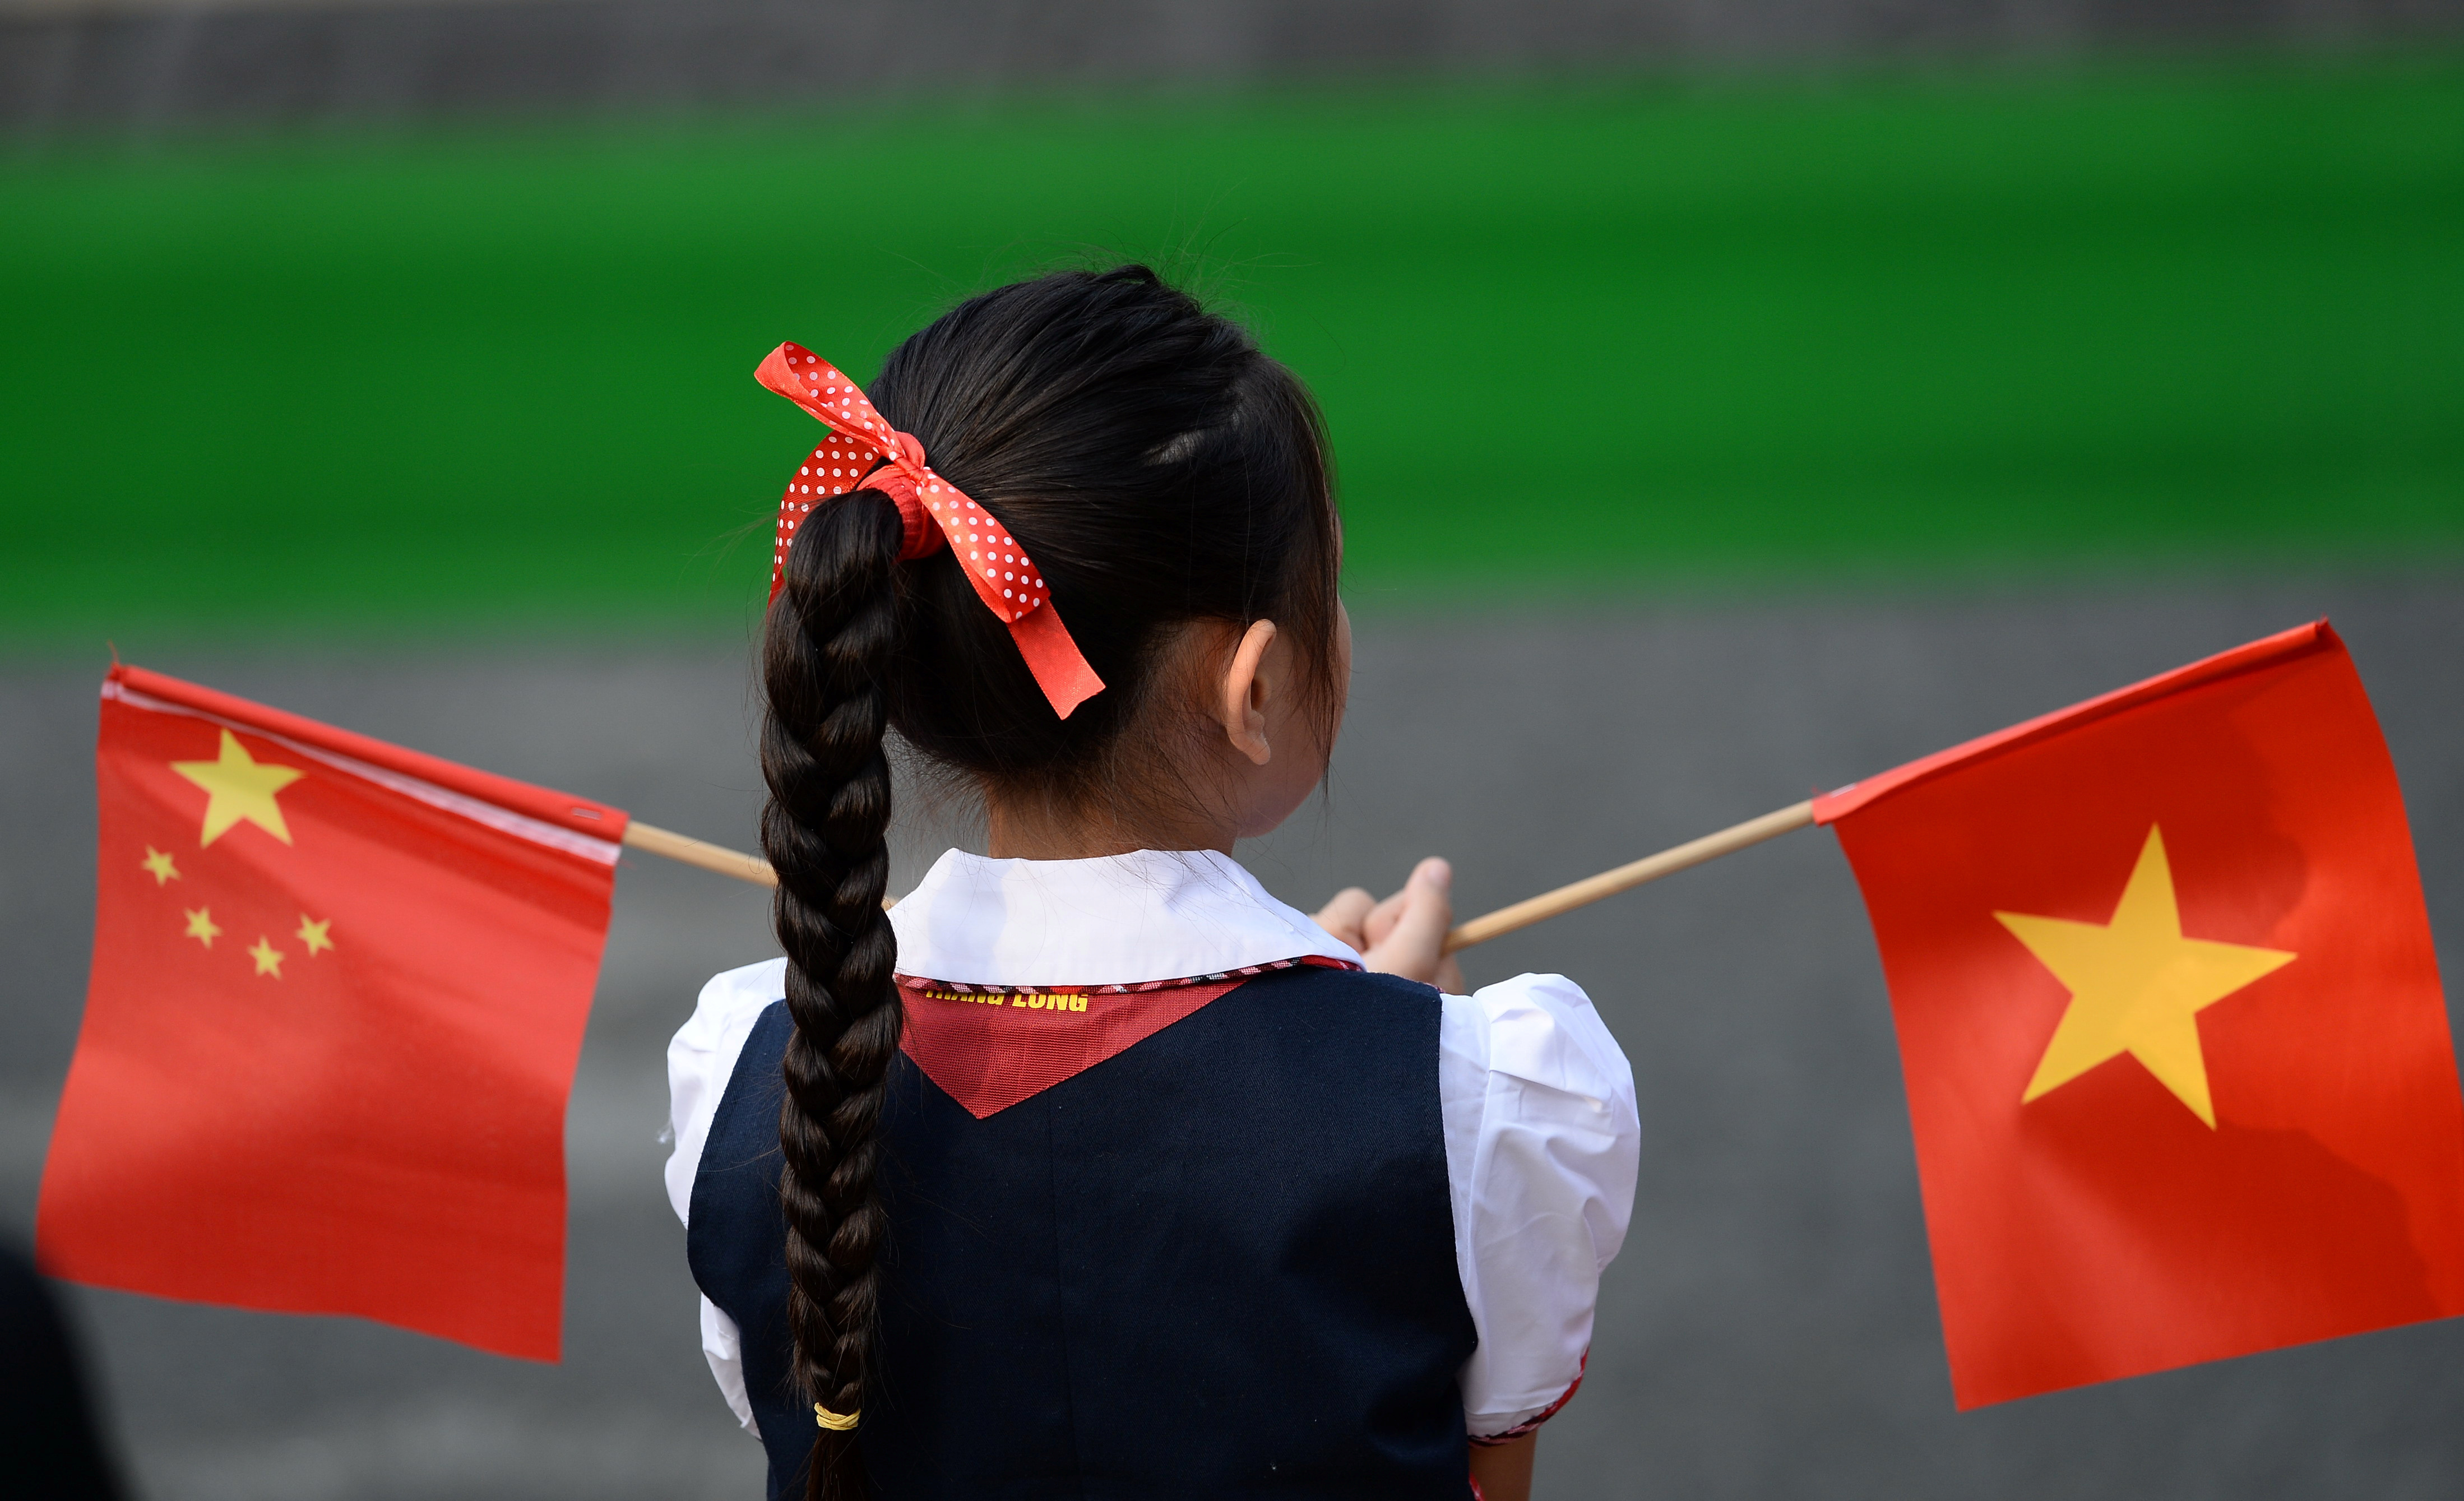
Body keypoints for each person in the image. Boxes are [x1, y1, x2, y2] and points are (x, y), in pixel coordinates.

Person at [664, 266, 1638, 1500]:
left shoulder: (748, 1074)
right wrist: (1387, 1046)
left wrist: (1357, 1018)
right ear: (1255, 689)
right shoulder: (1476, 1102)